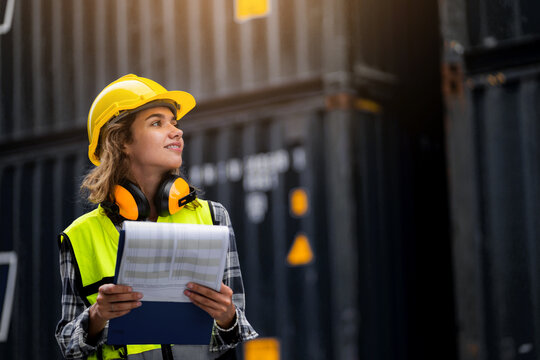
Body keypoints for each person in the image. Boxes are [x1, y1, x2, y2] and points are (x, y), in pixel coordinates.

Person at [55, 74, 258, 359]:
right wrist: (97, 316)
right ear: (122, 141)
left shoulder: (213, 217)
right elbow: (68, 344)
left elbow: (237, 331)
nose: (177, 132)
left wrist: (228, 316)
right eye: (157, 123)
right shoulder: (79, 236)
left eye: (174, 123)